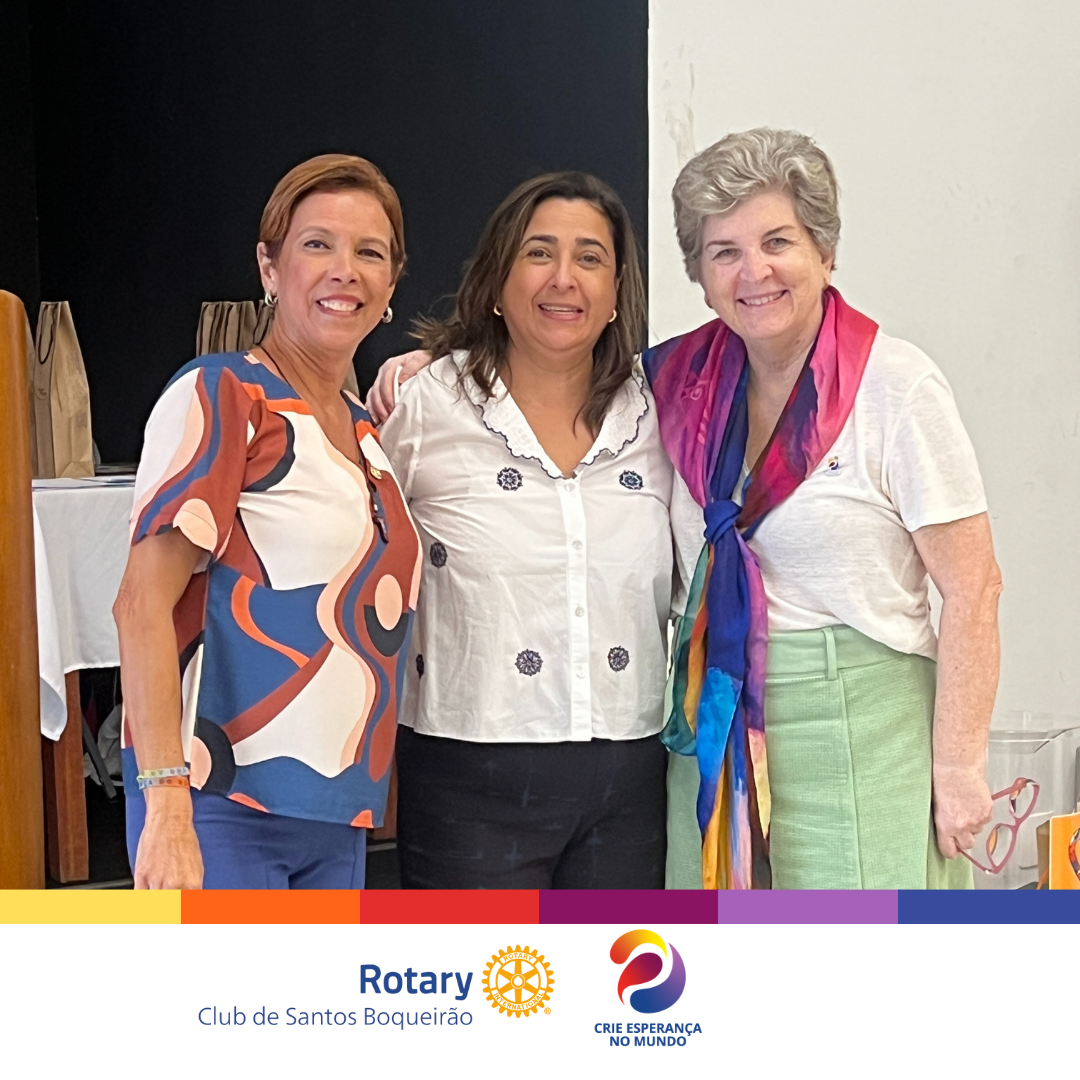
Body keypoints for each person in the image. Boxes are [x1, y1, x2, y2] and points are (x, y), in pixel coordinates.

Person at [647, 128, 1000, 888]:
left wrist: (960, 767)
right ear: (700, 276)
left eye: (778, 241)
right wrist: (426, 367)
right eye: (724, 251)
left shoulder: (895, 385)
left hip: (860, 722)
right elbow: (553, 380)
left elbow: (974, 587)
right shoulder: (673, 384)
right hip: (714, 721)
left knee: (853, 953)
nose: (754, 271)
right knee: (715, 951)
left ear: (825, 251)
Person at [113, 154, 421, 889]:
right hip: (218, 804)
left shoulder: (368, 435)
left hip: (335, 811)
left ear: (391, 285)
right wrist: (167, 807)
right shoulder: (225, 394)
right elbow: (140, 604)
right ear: (269, 268)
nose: (345, 270)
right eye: (317, 244)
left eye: (369, 252)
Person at [376, 172, 687, 889]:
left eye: (590, 257)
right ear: (497, 279)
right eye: (538, 252)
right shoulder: (426, 405)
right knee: (485, 968)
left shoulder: (661, 413)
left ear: (617, 291)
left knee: (612, 966)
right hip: (466, 775)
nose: (563, 278)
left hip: (630, 776)